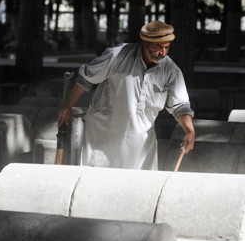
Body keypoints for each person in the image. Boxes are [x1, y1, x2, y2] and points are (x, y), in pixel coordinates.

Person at [57, 20, 195, 170]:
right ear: (145, 43)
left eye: (166, 47)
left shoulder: (171, 70)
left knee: (138, 188)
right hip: (103, 137)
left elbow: (180, 106)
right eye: (158, 47)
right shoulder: (116, 56)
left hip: (140, 144)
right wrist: (67, 105)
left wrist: (189, 130)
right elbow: (86, 78)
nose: (163, 52)